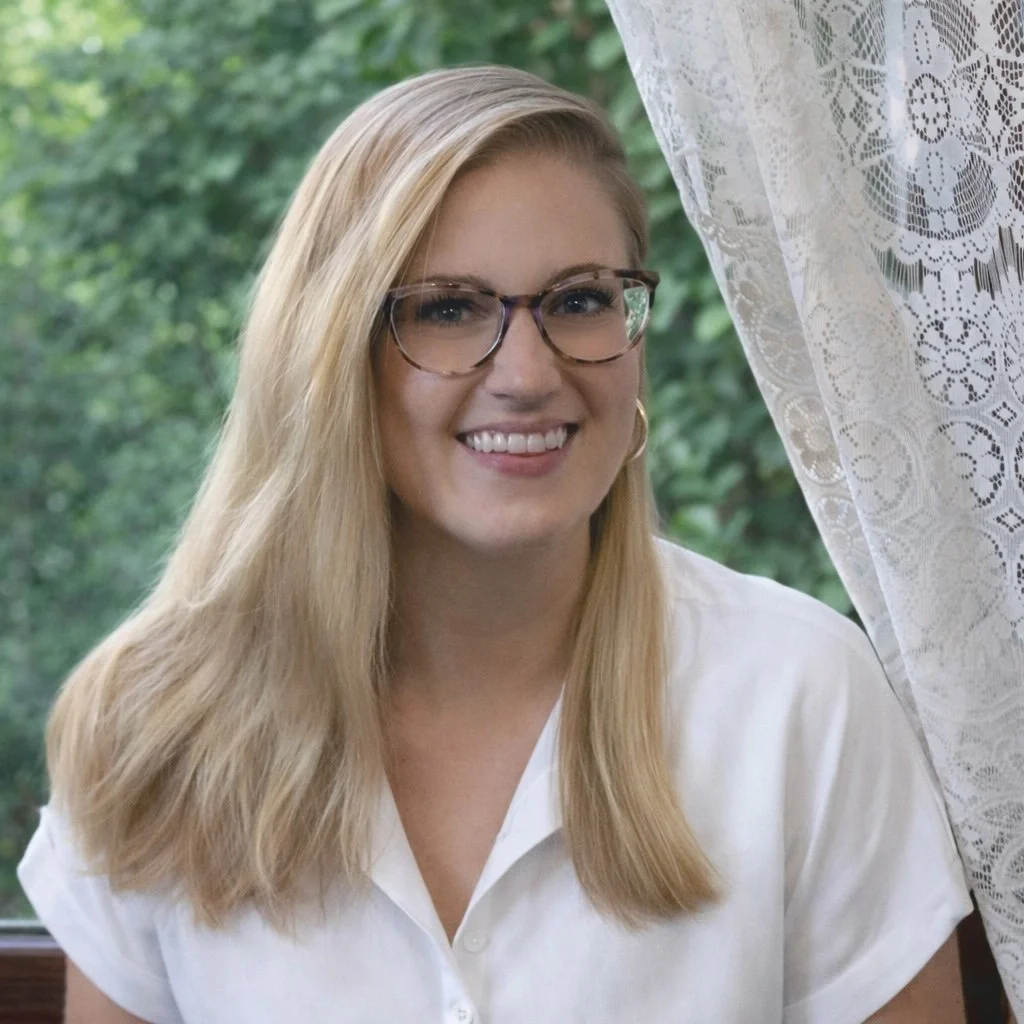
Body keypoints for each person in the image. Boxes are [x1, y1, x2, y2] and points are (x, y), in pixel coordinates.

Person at [18, 64, 971, 1023]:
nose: (527, 373)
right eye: (447, 309)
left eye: (581, 299)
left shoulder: (800, 695)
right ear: (328, 351)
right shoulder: (151, 724)